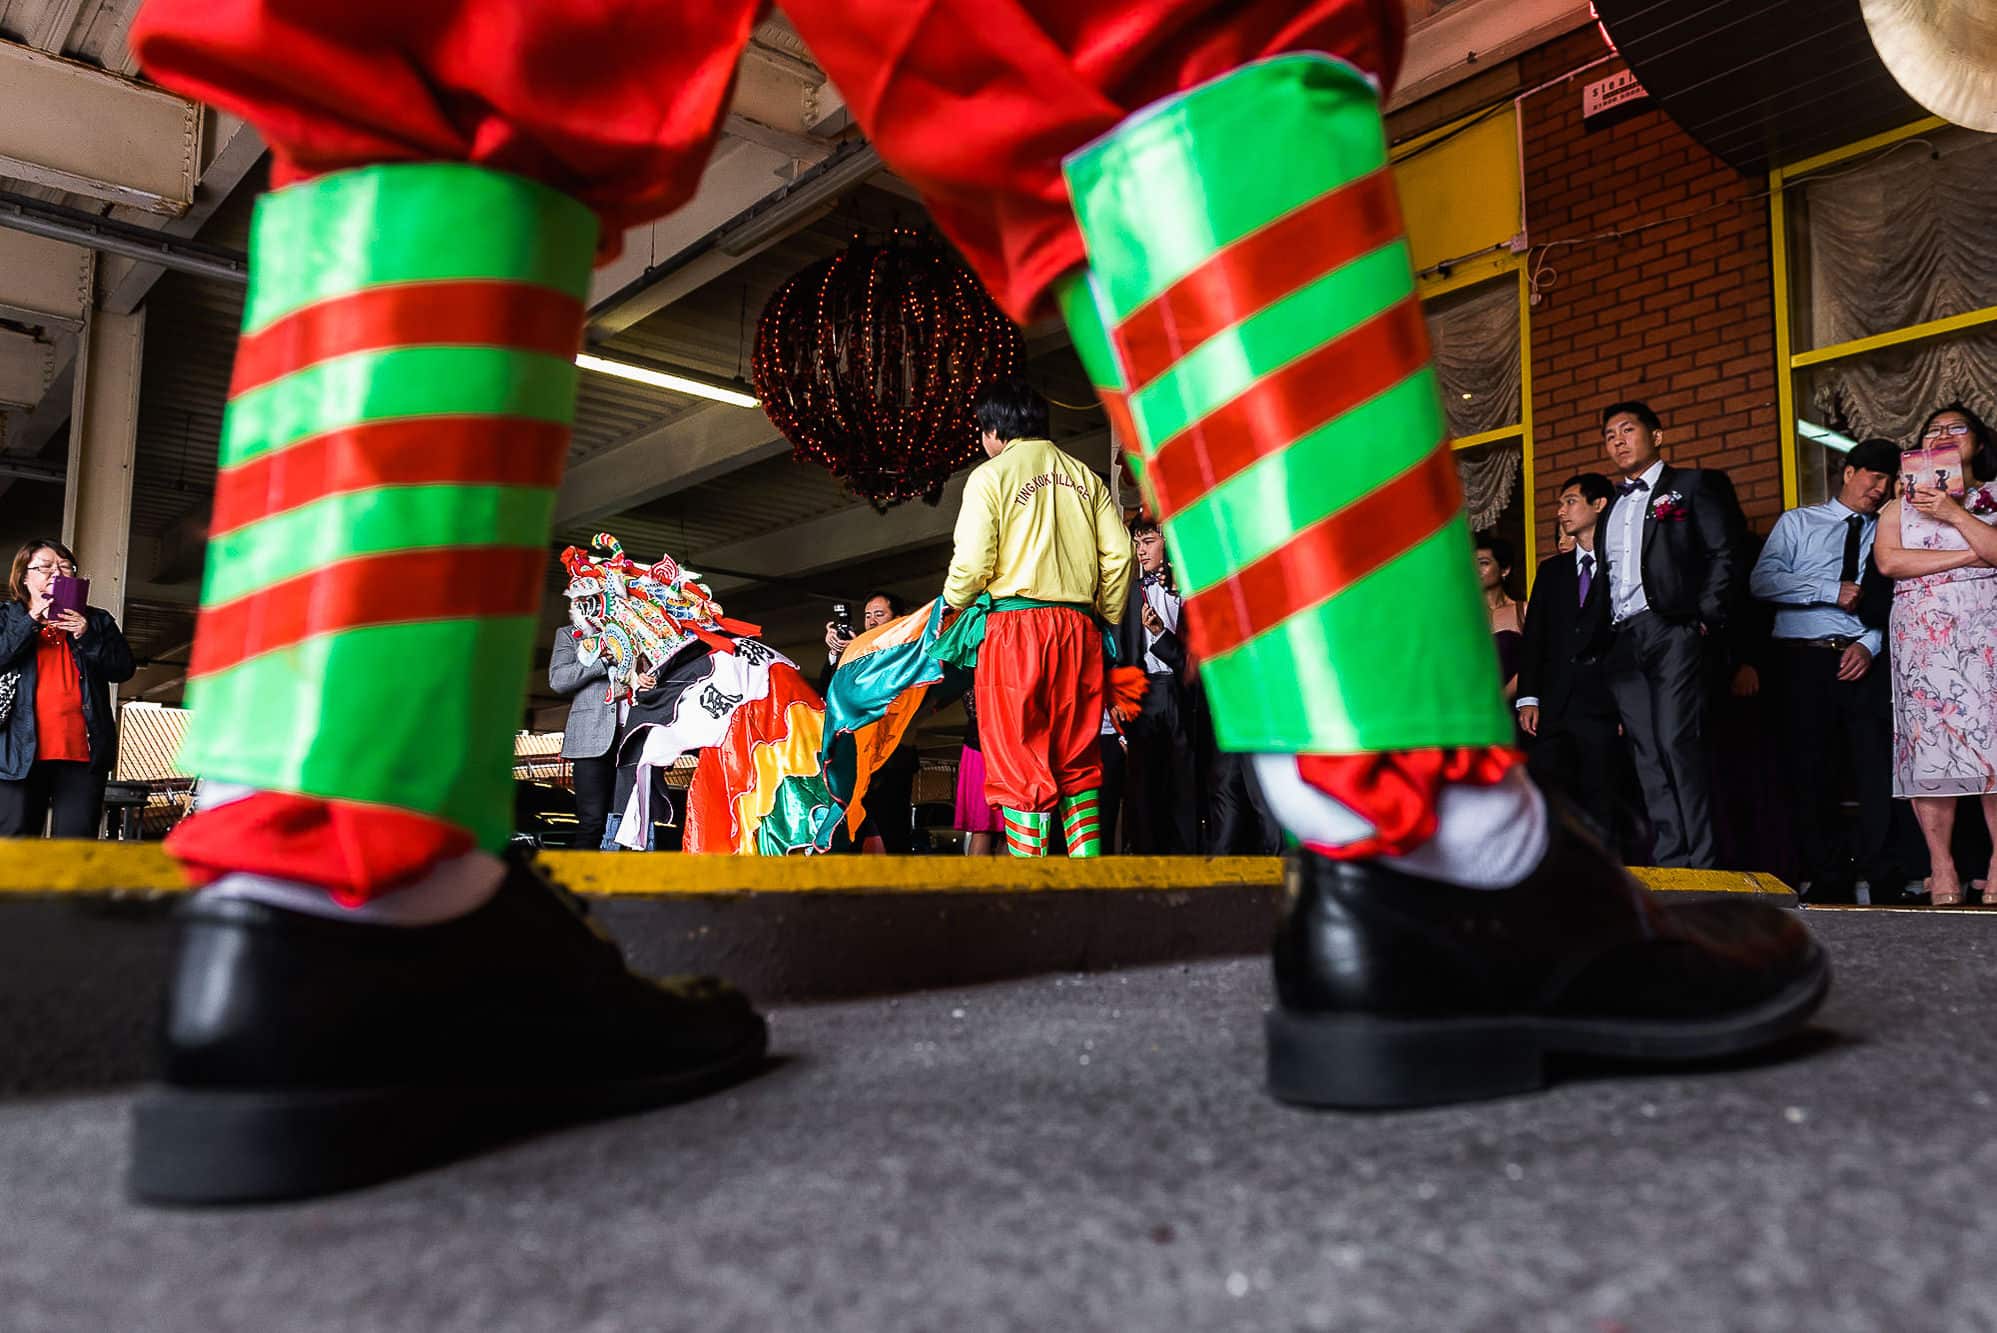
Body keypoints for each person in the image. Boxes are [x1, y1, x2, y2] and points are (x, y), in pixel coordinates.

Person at [124, 0, 1825, 1203]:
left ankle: (326, 883)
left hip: (1011, 625)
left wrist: (929, 622)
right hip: (1067, 627)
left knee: (444, 42)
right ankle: (1436, 854)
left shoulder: (1001, 487)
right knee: (1137, 27)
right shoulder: (1062, 479)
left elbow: (973, 568)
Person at [936, 378, 1133, 857]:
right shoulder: (1086, 477)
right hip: (1079, 631)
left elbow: (972, 563)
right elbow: (1121, 555)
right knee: (1077, 757)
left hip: (1015, 629)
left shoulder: (991, 475)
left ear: (993, 430)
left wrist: (952, 603)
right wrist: (1102, 616)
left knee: (1019, 756)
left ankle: (1034, 886)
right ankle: (1084, 878)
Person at [1748, 439, 1900, 902]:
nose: (1881, 488)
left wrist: (1870, 645)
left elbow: (1900, 597)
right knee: (1813, 772)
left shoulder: (1890, 530)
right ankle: (1829, 877)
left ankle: (1884, 877)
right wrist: (1827, 589)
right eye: (1874, 476)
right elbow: (1763, 581)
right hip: (1802, 660)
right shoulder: (1798, 522)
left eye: (1889, 481)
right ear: (1848, 471)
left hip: (1865, 658)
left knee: (1876, 772)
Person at [1597, 400, 1744, 869]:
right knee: (1645, 753)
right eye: (1610, 435)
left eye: (1627, 430)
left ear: (1656, 436)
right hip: (1624, 638)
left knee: (1677, 742)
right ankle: (1671, 863)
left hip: (1673, 629)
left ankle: (1704, 864)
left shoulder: (1691, 487)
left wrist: (1704, 618)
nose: (1618, 441)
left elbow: (1725, 553)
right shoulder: (1611, 506)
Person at [1873, 404, 1997, 907]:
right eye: (1933, 430)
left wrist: (1953, 514)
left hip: (1986, 634)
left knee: (1995, 747)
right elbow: (1889, 561)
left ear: (1979, 443)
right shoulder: (1897, 507)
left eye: (1955, 428)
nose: (1944, 434)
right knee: (1931, 750)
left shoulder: (1992, 497)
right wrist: (1973, 554)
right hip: (1923, 641)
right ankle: (1941, 868)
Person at [0, 540, 135, 838]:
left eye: (64, 567)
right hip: (17, 754)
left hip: (82, 754)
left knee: (75, 841)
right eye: (44, 567)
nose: (55, 573)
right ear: (24, 576)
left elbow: (123, 669)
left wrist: (86, 635)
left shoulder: (96, 620)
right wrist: (31, 620)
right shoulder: (5, 617)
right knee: (14, 844)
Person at [1516, 475, 1620, 845]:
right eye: (1560, 504)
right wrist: (1528, 696)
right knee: (1550, 797)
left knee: (1602, 797)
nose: (1561, 512)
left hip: (1604, 706)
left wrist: (1627, 708)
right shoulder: (1551, 571)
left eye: (1570, 501)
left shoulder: (1622, 563)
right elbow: (1535, 639)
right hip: (1553, 706)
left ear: (1600, 505)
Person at [1119, 520, 1198, 852]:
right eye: (1137, 543)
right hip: (1145, 693)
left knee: (1185, 785)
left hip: (1183, 693)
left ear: (1167, 542)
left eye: (1148, 541)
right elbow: (1122, 652)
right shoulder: (1129, 593)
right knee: (1144, 788)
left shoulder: (1191, 586)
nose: (1141, 550)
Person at [825, 592, 918, 853]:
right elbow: (829, 691)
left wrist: (868, 653)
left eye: (880, 614)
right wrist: (838, 654)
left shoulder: (909, 650)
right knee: (850, 832)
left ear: (898, 618)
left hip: (892, 756)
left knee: (895, 832)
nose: (872, 621)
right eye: (868, 616)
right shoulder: (856, 652)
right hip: (856, 756)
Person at [547, 625, 622, 850]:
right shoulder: (570, 634)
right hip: (591, 738)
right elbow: (558, 680)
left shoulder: (641, 628)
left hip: (635, 736)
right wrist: (602, 662)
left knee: (630, 823)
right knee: (592, 821)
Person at [1476, 533, 1525, 701]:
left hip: (1516, 708)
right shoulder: (1462, 615)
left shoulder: (1523, 610)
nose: (1476, 569)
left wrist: (1500, 698)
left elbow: (1536, 661)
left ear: (1505, 569)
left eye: (1483, 563)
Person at [954, 690, 1001, 855]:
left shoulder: (969, 672)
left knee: (984, 829)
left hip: (981, 748)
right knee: (992, 829)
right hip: (991, 751)